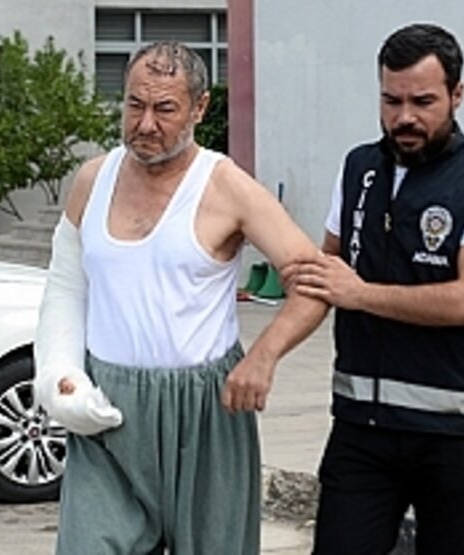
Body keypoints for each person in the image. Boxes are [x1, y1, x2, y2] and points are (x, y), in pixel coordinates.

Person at [33, 42, 326, 555]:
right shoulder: (93, 180)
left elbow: (314, 282)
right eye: (134, 105)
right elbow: (66, 285)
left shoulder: (228, 188)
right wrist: (60, 376)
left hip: (206, 412)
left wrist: (263, 357)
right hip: (109, 412)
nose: (145, 124)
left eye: (164, 109)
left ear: (199, 108)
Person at [284, 23, 464, 554]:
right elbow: (326, 270)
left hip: (455, 434)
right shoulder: (359, 169)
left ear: (457, 94)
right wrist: (263, 356)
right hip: (362, 426)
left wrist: (360, 294)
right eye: (391, 100)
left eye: (422, 102)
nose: (404, 117)